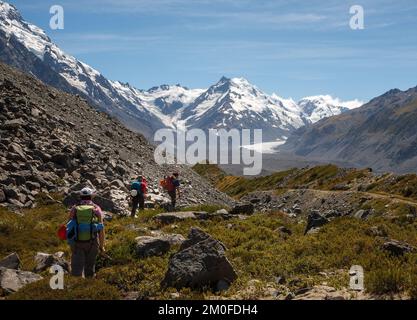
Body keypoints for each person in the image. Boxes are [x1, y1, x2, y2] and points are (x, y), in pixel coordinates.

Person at [68, 187, 105, 278]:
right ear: (91, 197)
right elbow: (101, 229)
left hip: (77, 243)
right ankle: (89, 285)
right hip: (92, 242)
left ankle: (75, 288)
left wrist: (71, 243)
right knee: (90, 268)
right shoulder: (96, 209)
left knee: (76, 271)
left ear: (81, 196)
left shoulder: (74, 208)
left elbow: (69, 226)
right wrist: (101, 246)